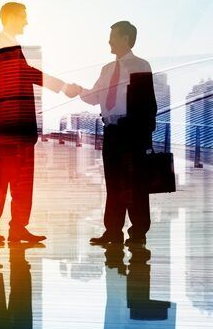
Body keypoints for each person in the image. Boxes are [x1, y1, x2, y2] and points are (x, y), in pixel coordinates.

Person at [0, 2, 77, 245]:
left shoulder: (7, 44)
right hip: (12, 127)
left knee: (20, 181)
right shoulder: (2, 45)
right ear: (11, 17)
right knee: (1, 181)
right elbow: (25, 72)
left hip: (15, 127)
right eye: (23, 16)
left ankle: (16, 229)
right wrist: (62, 86)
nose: (27, 21)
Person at [67, 21, 157, 247]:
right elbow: (95, 97)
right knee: (114, 183)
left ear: (126, 38)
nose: (109, 41)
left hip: (132, 132)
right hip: (111, 132)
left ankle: (138, 233)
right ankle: (113, 232)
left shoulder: (140, 65)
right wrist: (79, 91)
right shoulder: (107, 69)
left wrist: (145, 136)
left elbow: (149, 104)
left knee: (135, 184)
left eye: (113, 36)